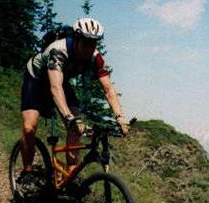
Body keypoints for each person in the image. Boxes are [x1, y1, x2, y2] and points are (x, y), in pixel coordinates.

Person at [20, 17, 129, 178]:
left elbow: (108, 89)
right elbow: (55, 88)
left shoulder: (95, 57)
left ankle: (71, 174)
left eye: (94, 43)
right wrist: (69, 117)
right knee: (29, 128)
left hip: (60, 81)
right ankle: (27, 170)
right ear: (76, 39)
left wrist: (120, 117)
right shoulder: (59, 51)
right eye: (86, 43)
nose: (89, 48)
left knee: (76, 129)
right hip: (36, 79)